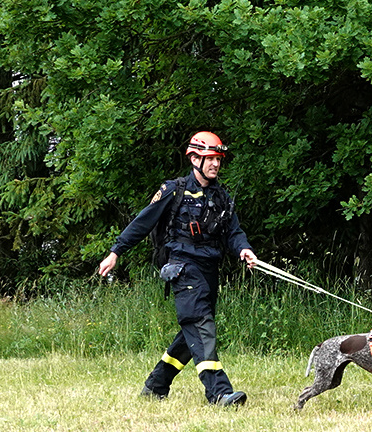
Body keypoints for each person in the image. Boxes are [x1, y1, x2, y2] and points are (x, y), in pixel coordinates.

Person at [98, 131, 258, 407]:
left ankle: (156, 386)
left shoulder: (221, 196)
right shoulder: (174, 190)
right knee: (200, 324)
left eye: (218, 159)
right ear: (194, 158)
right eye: (210, 158)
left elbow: (234, 232)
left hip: (209, 269)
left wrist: (244, 249)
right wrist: (115, 251)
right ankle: (219, 393)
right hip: (182, 267)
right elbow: (141, 223)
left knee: (190, 333)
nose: (216, 164)